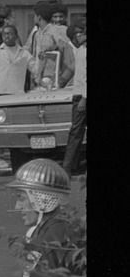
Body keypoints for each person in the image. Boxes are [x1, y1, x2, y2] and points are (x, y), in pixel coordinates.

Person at [7, 159, 74, 277]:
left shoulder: (46, 241)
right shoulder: (61, 228)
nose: (18, 206)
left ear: (42, 201)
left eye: (22, 199)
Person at [0, 23, 36, 170]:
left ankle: (18, 155)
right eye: (4, 34)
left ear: (16, 35)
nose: (7, 36)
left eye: (10, 33)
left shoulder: (24, 53)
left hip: (17, 94)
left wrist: (44, 61)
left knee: (16, 125)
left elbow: (35, 68)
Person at [29, 2, 75, 90]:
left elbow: (67, 51)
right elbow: (36, 56)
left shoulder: (58, 30)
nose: (33, 18)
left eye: (34, 15)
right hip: (40, 79)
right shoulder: (37, 34)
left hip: (56, 78)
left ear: (39, 17)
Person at [62, 18, 86, 176]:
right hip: (78, 94)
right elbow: (74, 71)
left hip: (83, 96)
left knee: (76, 133)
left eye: (81, 32)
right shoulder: (81, 50)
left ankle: (68, 167)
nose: (78, 36)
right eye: (76, 33)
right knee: (75, 133)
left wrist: (84, 97)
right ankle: (70, 167)